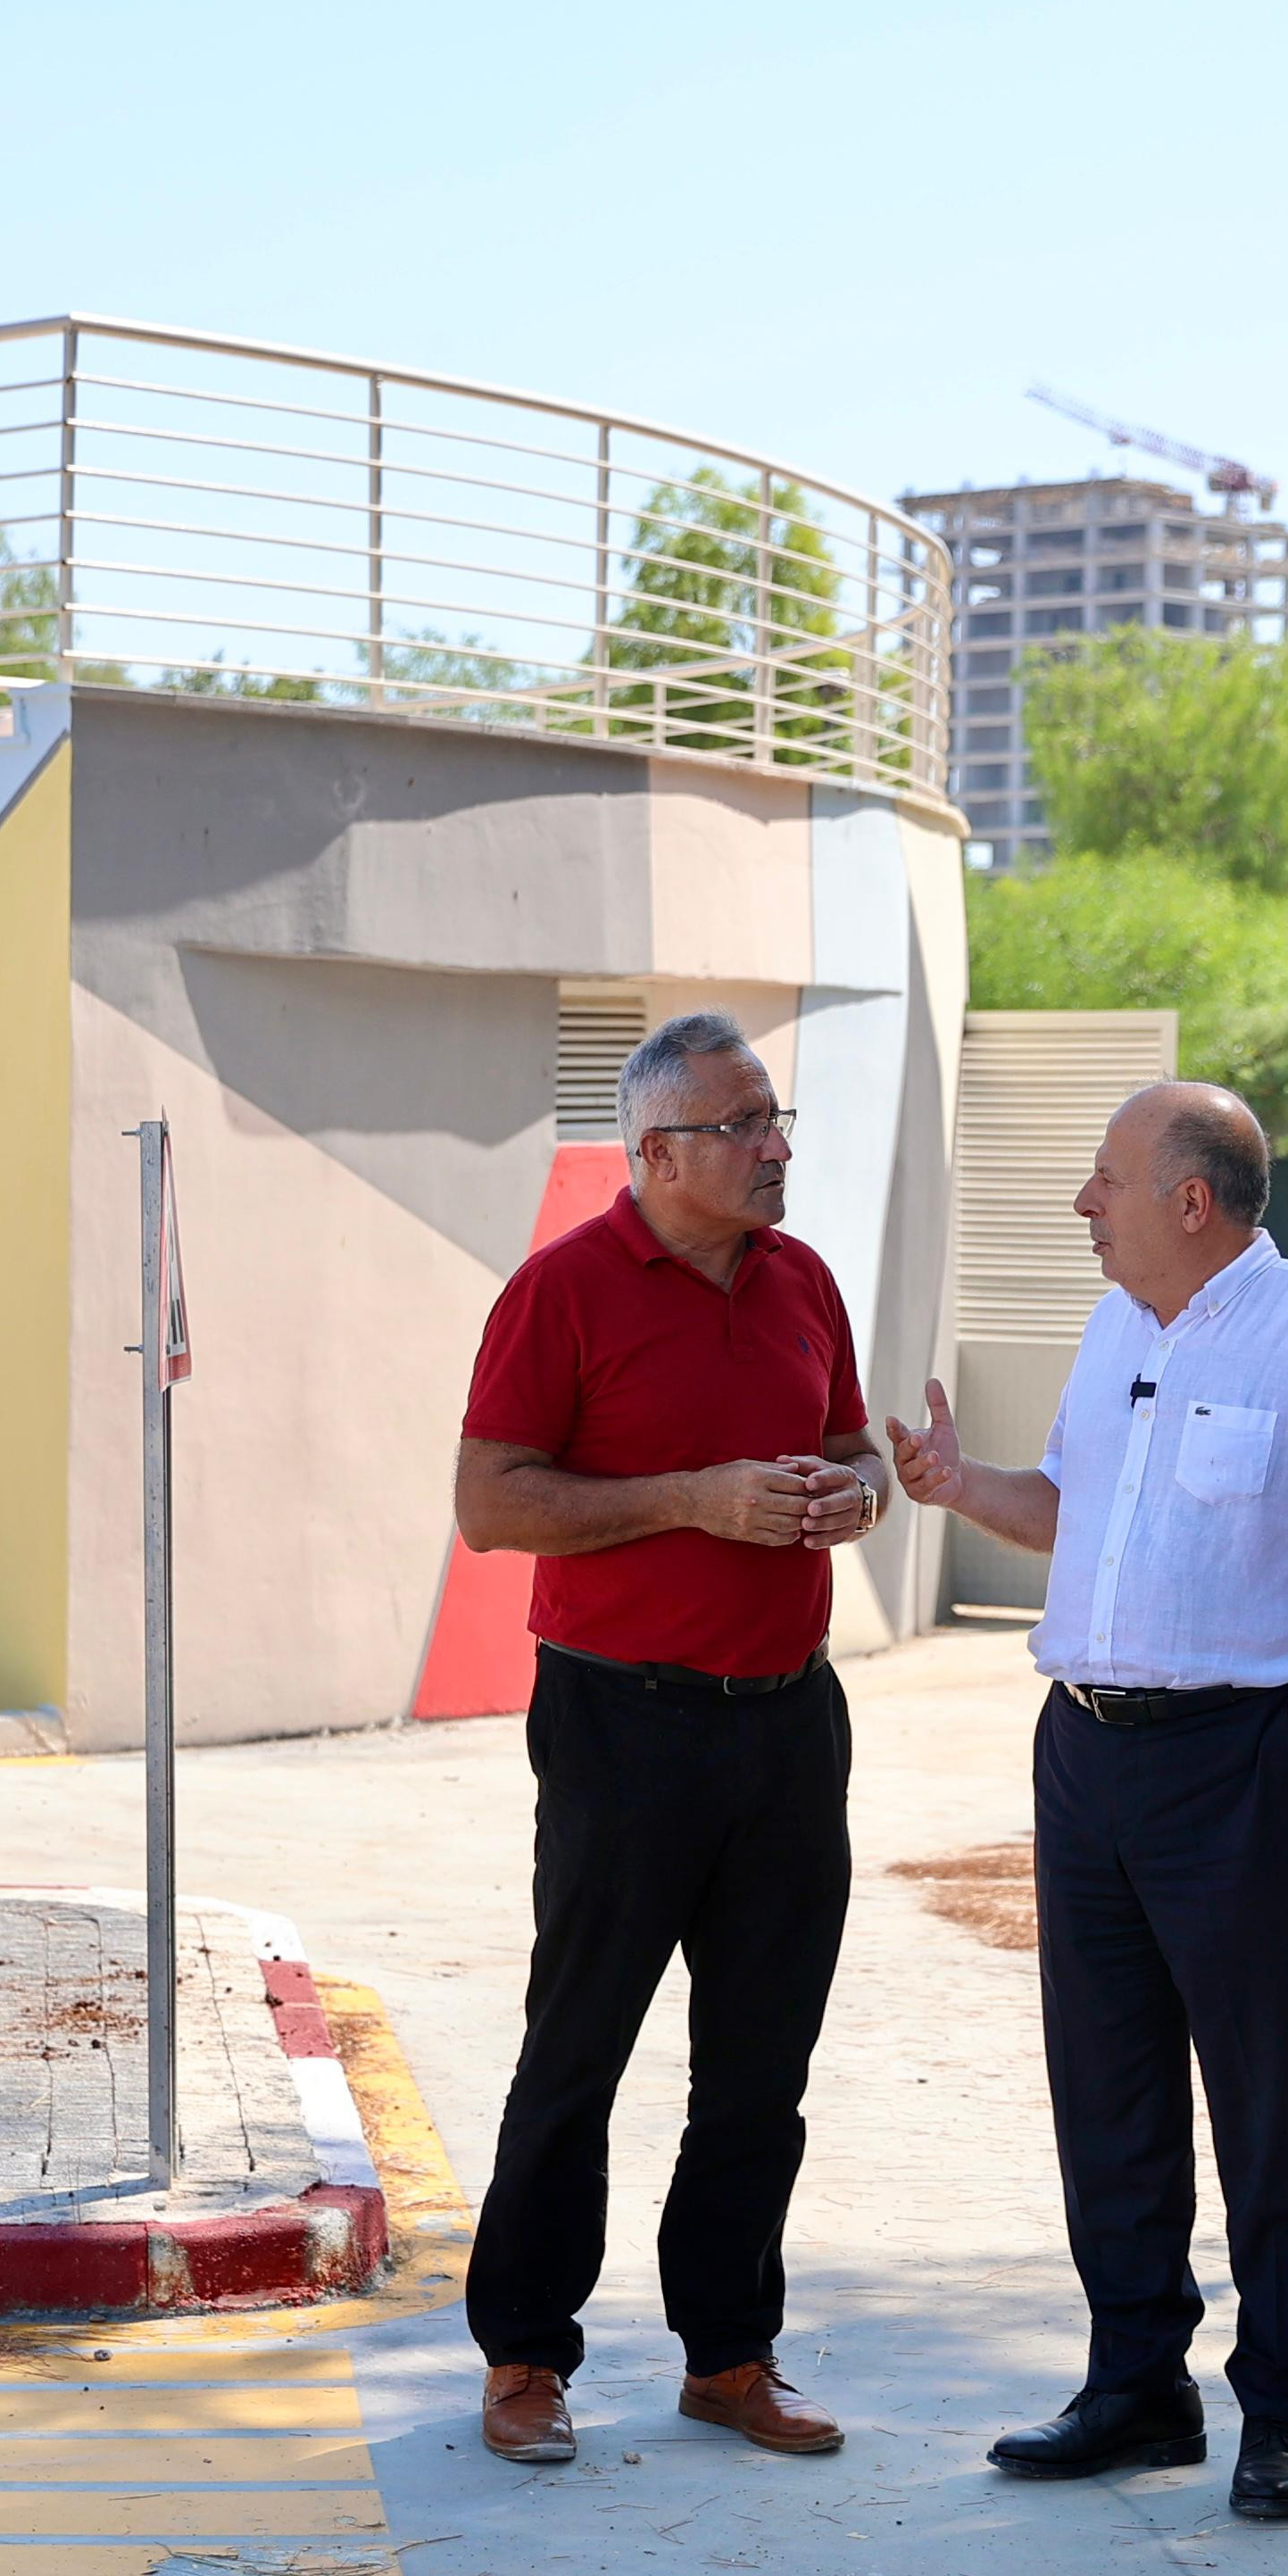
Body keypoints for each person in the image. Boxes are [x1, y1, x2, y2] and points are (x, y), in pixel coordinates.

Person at [887, 1083, 1288, 2522]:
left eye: (1103, 1179)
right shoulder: (1119, 1325)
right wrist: (961, 1485)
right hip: (1085, 1752)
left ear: (1189, 1201)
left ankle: (1284, 2410)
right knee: (1105, 2088)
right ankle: (1135, 2388)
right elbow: (1073, 1510)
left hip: (1245, 1762)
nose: (1080, 1204)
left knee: (1264, 2099)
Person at [450, 1010, 886, 2466]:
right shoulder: (559, 1290)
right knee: (577, 2051)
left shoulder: (801, 1280)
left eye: (775, 1121)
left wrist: (858, 1494)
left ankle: (728, 2356)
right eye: (740, 1125)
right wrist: (689, 1499)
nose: (772, 1148)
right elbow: (491, 1504)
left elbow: (853, 1446)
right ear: (655, 1153)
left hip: (789, 1723)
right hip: (620, 1725)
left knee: (760, 2067)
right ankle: (525, 2356)